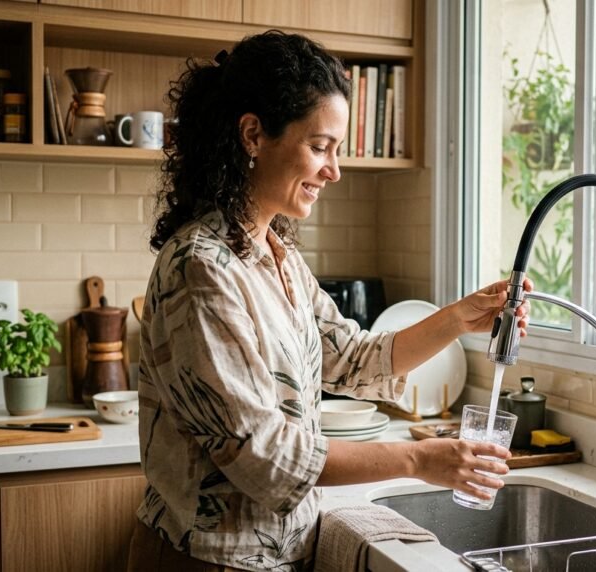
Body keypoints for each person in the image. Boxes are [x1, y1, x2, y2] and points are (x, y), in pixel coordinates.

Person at [129, 30, 533, 572]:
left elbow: (353, 358)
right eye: (319, 147)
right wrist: (416, 458)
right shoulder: (202, 268)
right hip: (208, 559)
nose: (333, 171)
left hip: (271, 554)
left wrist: (461, 317)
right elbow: (263, 454)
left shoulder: (275, 255)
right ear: (253, 134)